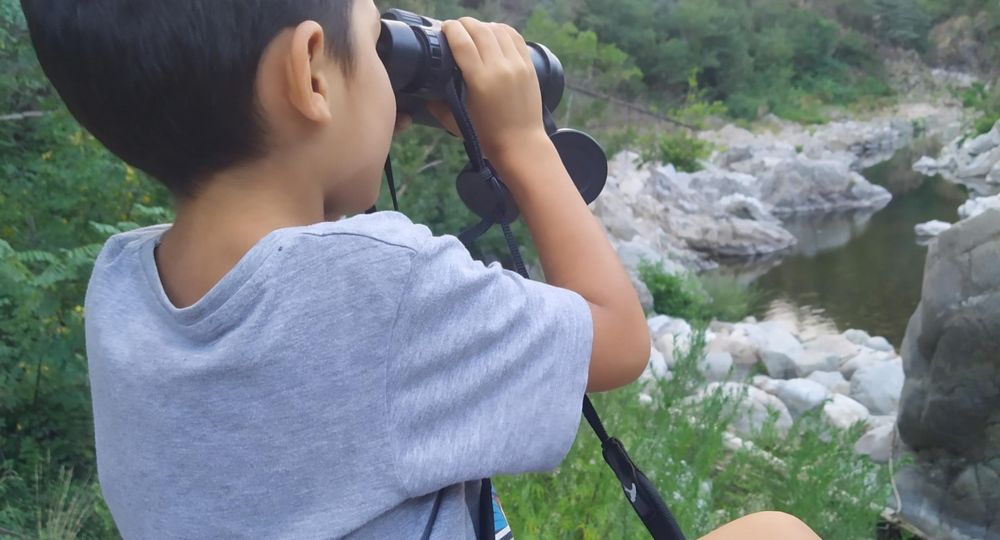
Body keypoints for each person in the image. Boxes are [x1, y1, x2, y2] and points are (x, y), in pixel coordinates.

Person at [21, 0, 821, 538]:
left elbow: (293, 282)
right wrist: (521, 142)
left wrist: (350, 122)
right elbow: (617, 345)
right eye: (376, 44)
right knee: (778, 533)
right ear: (309, 74)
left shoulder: (123, 285)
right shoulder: (386, 285)